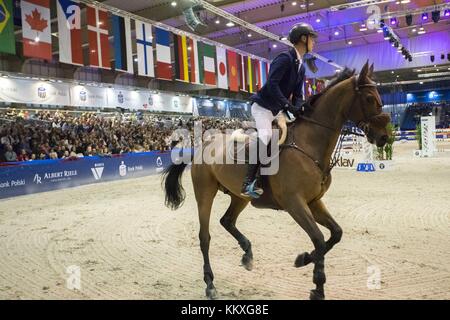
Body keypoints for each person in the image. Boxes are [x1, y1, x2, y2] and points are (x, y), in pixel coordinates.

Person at [240, 22, 318, 198]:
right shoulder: (284, 58)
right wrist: (288, 106)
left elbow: (297, 95)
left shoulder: (301, 66)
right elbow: (272, 85)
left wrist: (301, 109)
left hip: (277, 109)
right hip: (262, 107)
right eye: (312, 38)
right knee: (266, 136)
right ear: (303, 39)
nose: (314, 42)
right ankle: (247, 182)